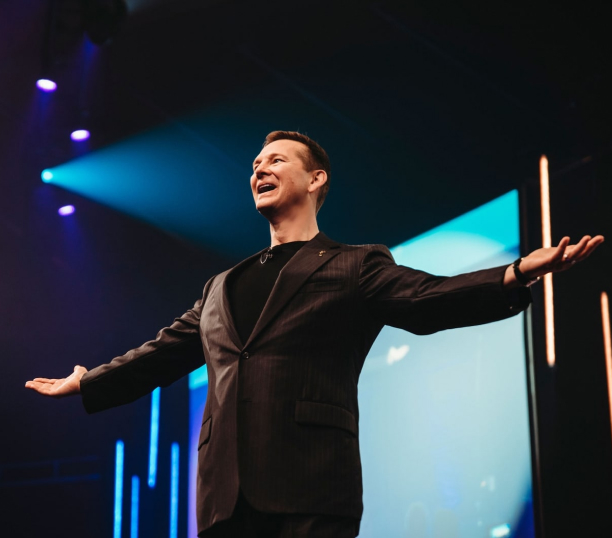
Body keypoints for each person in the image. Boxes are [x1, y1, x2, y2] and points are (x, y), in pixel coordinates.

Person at [26, 131, 604, 538]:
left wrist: (517, 270)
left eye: (276, 160)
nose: (259, 168)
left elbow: (428, 300)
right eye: (255, 163)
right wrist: (89, 381)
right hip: (225, 498)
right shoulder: (220, 286)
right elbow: (162, 354)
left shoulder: (353, 264)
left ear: (315, 178)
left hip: (310, 488)